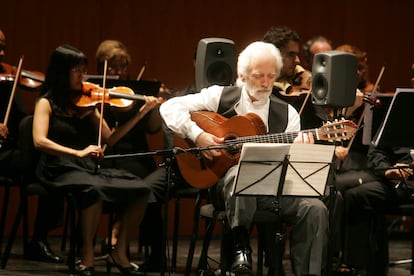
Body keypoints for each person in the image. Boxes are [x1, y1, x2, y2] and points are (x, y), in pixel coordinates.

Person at [160, 41, 329, 276]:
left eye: (271, 76)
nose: (266, 83)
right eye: (259, 75)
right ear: (242, 74)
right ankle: (241, 247)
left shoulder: (287, 113)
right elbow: (169, 107)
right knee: (242, 172)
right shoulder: (220, 97)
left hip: (274, 191)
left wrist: (300, 148)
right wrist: (197, 136)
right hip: (226, 187)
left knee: (315, 209)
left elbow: (292, 167)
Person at [32, 44, 159, 275]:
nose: (83, 77)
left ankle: (119, 251)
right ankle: (87, 254)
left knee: (141, 189)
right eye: (77, 71)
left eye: (83, 71)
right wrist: (77, 152)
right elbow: (39, 141)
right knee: (93, 189)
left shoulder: (86, 104)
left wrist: (141, 112)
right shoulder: (46, 103)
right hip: (57, 166)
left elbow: (111, 138)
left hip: (85, 167)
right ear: (62, 72)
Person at [95, 39, 165, 272]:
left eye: (123, 67)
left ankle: (155, 254)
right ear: (102, 67)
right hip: (110, 155)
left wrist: (154, 107)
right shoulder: (96, 94)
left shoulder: (135, 92)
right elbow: (110, 138)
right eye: (113, 67)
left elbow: (153, 128)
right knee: (135, 184)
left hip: (138, 154)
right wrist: (138, 113)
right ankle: (118, 237)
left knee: (151, 187)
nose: (119, 72)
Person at [0, 28, 65, 264]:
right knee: (50, 169)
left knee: (53, 166)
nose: (2, 52)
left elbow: (20, 119)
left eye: (4, 46)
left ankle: (39, 237)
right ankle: (38, 238)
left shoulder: (8, 79)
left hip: (8, 151)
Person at [337, 144, 414, 276]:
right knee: (356, 195)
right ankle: (355, 266)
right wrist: (386, 170)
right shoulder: (398, 126)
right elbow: (378, 150)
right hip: (396, 179)